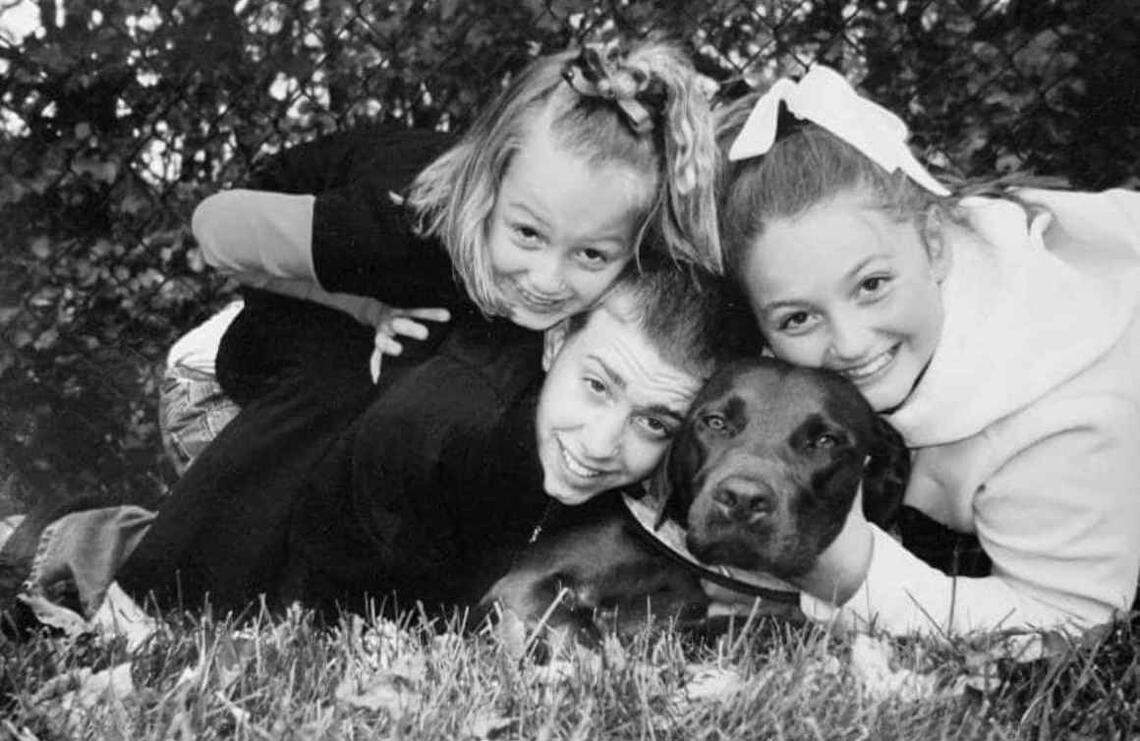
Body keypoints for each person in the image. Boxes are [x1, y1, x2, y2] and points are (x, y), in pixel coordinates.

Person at [22, 264, 747, 621]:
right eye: (598, 387)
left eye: (654, 422)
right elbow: (335, 561)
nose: (601, 440)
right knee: (243, 576)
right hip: (227, 379)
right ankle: (68, 539)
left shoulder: (558, 424)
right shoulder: (443, 419)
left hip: (391, 409)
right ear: (558, 342)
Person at [151, 36, 721, 478]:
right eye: (527, 234)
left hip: (387, 305)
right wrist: (366, 307)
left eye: (592, 254)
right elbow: (216, 228)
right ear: (487, 188)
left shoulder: (628, 261)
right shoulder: (401, 230)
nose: (548, 279)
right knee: (343, 398)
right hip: (220, 378)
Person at [715, 65, 1140, 637]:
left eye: (871, 286)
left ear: (935, 246)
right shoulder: (893, 279)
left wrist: (854, 576)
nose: (850, 343)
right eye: (798, 317)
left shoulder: (1056, 401)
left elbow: (1070, 623)